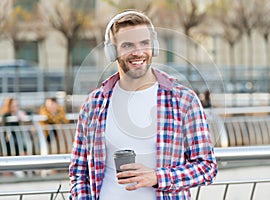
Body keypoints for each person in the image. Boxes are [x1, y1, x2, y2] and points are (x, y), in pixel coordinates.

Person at [69, 10, 217, 199]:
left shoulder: (184, 100)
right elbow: (79, 172)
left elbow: (207, 167)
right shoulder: (93, 104)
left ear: (153, 46)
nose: (138, 52)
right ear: (112, 52)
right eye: (128, 45)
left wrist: (157, 177)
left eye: (144, 43)